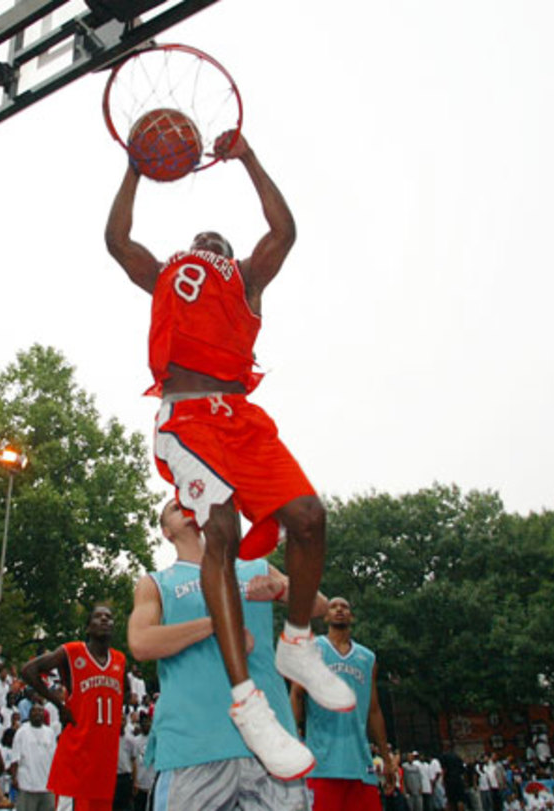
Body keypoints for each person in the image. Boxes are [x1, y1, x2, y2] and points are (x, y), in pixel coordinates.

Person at [105, 128, 354, 778]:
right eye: (200, 241)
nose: (208, 243)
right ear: (187, 253)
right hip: (186, 419)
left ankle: (298, 641)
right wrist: (135, 169)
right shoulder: (167, 276)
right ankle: (248, 699)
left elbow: (285, 231)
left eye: (220, 241)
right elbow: (117, 243)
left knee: (309, 518)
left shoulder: (244, 279)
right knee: (220, 531)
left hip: (238, 418)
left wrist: (247, 158)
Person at [127, 499, 327, 809]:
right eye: (175, 509)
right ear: (167, 532)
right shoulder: (157, 583)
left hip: (269, 744)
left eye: (190, 503)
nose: (186, 508)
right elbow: (141, 642)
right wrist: (219, 623)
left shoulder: (254, 567)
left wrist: (279, 589)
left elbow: (321, 605)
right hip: (194, 747)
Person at [291, 597, 396, 811]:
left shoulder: (367, 658)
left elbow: (374, 711)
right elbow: (296, 695)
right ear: (326, 616)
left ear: (352, 616)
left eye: (345, 606)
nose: (339, 609)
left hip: (360, 765)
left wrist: (386, 758)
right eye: (333, 607)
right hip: (322, 764)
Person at [22, 605, 125, 811]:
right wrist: (58, 704)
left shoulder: (120, 660)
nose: (105, 620)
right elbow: (28, 670)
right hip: (77, 762)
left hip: (104, 764)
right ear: (87, 628)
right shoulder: (72, 652)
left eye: (109, 617)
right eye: (98, 617)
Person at [9, 704, 56, 811]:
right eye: (34, 711)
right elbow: (15, 758)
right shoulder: (21, 732)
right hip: (27, 785)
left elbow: (54, 759)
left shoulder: (50, 733)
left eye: (40, 711)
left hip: (46, 786)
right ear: (29, 715)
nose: (37, 714)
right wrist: (14, 777)